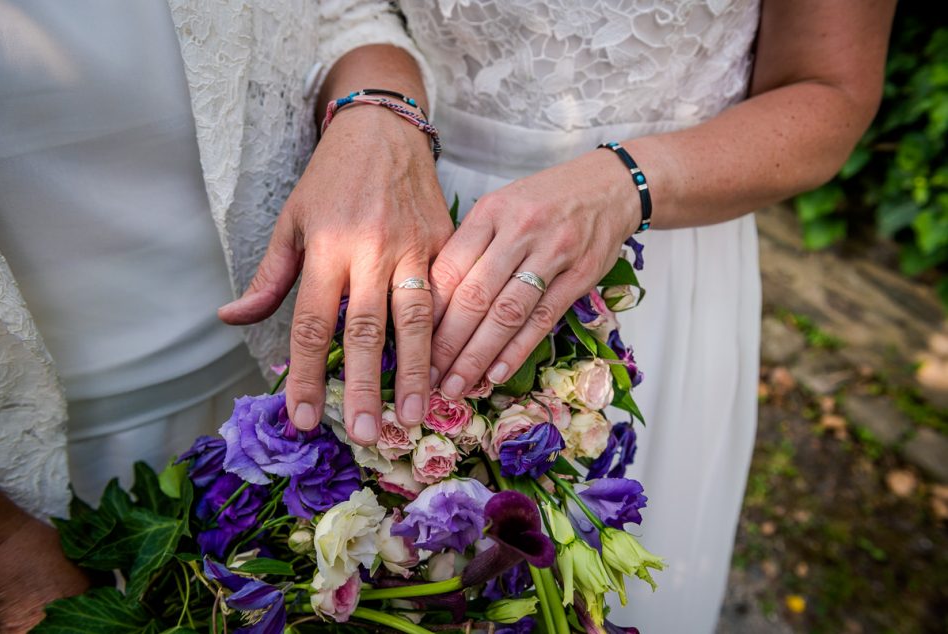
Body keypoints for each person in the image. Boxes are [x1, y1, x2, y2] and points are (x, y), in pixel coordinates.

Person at [230, 0, 895, 630]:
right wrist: (372, 106)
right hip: (411, 209)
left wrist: (628, 184)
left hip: (657, 236)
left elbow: (830, 90)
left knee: (597, 595)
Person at [0, 1, 440, 630]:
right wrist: (7, 551)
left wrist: (376, 113)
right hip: (42, 482)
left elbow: (348, 14)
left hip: (303, 391)